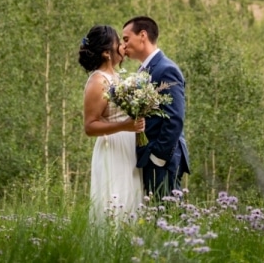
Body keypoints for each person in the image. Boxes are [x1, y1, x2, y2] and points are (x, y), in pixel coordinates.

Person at [79, 24, 145, 221]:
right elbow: (90, 126)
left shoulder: (117, 77)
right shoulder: (98, 82)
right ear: (107, 53)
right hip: (112, 150)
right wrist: (124, 126)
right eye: (119, 43)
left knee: (132, 205)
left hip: (129, 149)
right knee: (115, 206)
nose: (123, 48)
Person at [122, 15, 190, 198]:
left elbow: (175, 118)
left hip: (163, 160)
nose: (123, 45)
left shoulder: (166, 69)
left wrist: (158, 157)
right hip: (147, 158)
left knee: (168, 217)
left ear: (142, 35)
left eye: (126, 39)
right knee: (155, 220)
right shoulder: (143, 71)